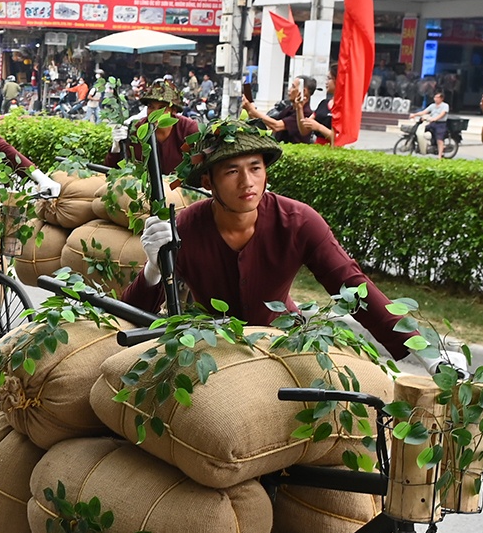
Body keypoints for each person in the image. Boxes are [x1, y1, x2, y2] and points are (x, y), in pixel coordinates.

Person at [127, 120, 411, 360]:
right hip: (210, 348)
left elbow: (353, 286)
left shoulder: (298, 221)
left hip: (284, 343)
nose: (246, 182)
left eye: (255, 168)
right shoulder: (184, 228)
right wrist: (154, 266)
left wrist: (424, 353)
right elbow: (135, 313)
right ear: (208, 182)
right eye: (231, 171)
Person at [103, 78, 198, 171]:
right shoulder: (136, 130)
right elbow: (112, 171)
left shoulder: (188, 129)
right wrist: (116, 147)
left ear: (173, 111)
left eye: (162, 108)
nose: (154, 113)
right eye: (151, 107)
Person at [415, 92, 452, 159]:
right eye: (435, 97)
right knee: (423, 130)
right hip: (432, 123)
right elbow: (424, 112)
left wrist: (435, 119)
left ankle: (440, 156)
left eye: (437, 97)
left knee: (439, 140)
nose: (435, 99)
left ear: (442, 99)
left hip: (440, 124)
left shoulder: (445, 106)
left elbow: (442, 114)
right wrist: (414, 115)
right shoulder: (432, 105)